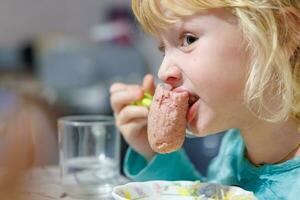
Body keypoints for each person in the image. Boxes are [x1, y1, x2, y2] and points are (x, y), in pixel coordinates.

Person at [110, 0, 300, 199]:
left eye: (189, 40)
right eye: (163, 49)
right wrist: (151, 151)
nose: (163, 71)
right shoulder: (233, 149)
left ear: (281, 34)